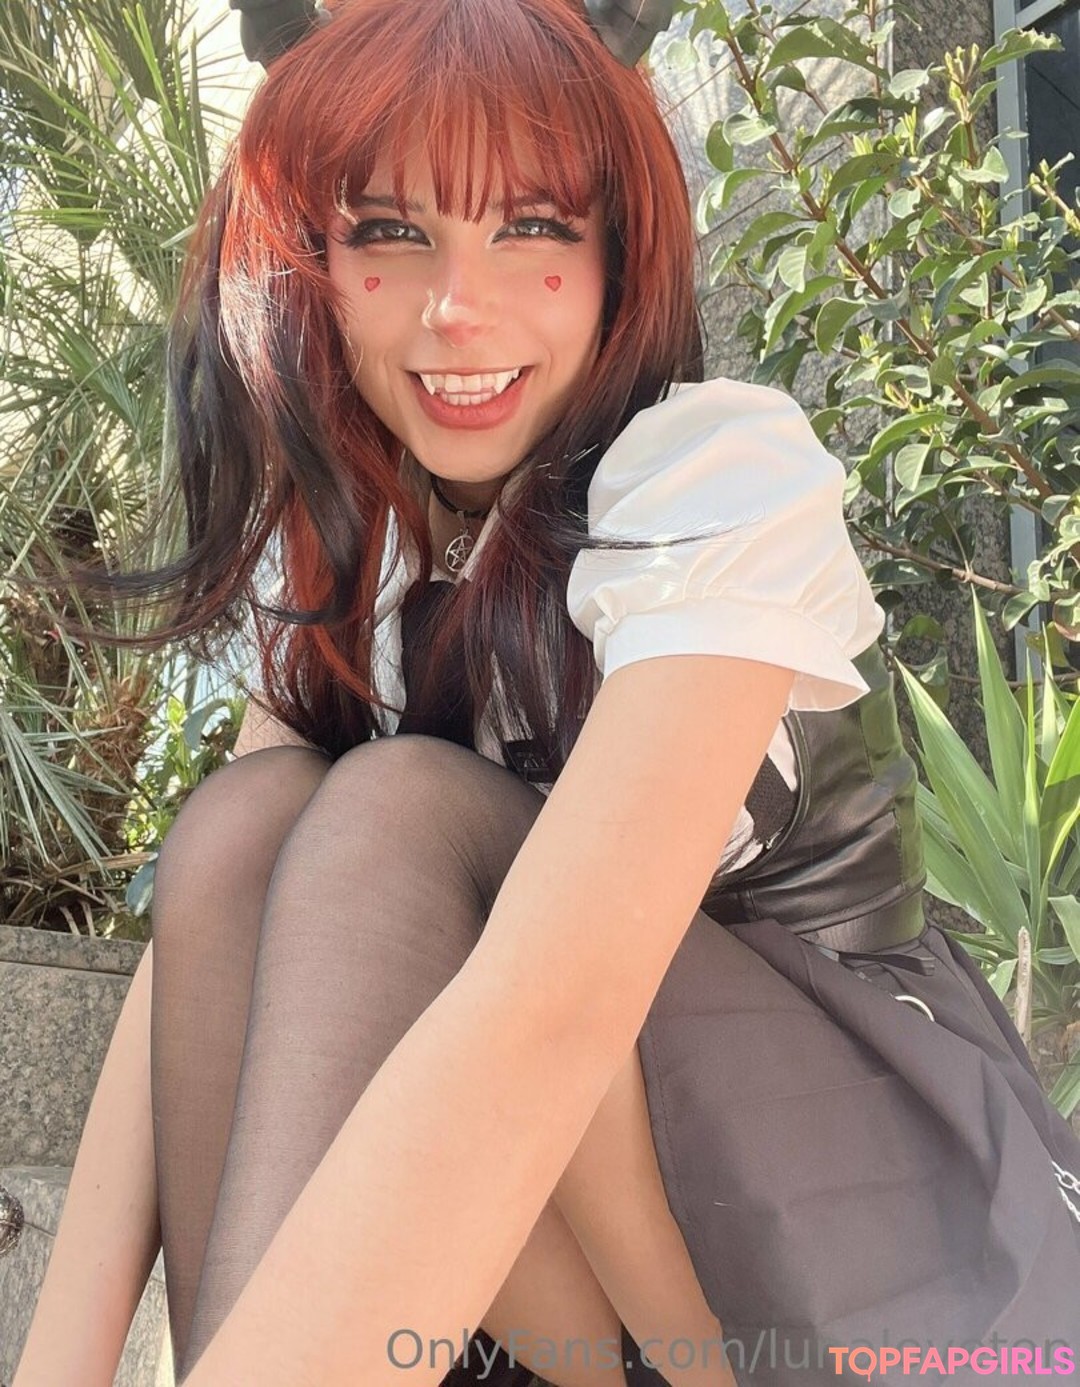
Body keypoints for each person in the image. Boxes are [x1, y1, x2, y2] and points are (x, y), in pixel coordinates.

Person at [12, 2, 1080, 1386]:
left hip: (844, 1192)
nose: (460, 307)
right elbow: (201, 930)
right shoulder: (370, 548)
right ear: (314, 263)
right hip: (563, 1224)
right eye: (391, 231)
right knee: (244, 821)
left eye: (532, 228)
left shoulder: (712, 482)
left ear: (621, 254)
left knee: (398, 813)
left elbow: (551, 1009)